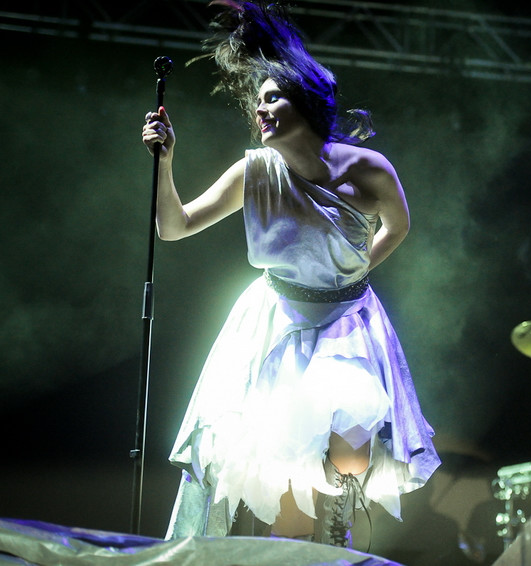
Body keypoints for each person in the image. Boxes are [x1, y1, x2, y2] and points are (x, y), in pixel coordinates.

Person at [141, 0, 440, 547]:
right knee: (272, 469)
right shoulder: (254, 172)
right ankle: (271, 553)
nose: (260, 110)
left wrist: (354, 270)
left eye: (271, 97)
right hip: (275, 319)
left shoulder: (367, 169)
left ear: (302, 101)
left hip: (346, 320)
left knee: (348, 449)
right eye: (256, 101)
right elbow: (174, 227)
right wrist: (165, 164)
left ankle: (336, 544)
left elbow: (398, 225)